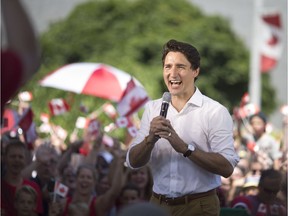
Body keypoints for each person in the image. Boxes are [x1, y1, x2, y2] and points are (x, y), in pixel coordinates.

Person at [126, 39, 239, 216]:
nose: (173, 73)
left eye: (180, 67)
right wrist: (150, 139)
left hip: (199, 205)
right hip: (158, 204)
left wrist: (185, 149)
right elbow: (132, 162)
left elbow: (227, 168)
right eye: (167, 67)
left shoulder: (215, 111)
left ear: (195, 71)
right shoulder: (152, 108)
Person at [1, 138, 43, 216]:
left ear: (25, 160)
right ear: (5, 158)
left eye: (20, 157)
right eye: (13, 156)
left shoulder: (34, 188)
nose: (17, 160)